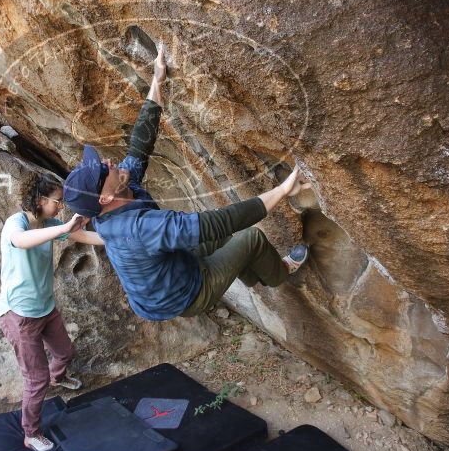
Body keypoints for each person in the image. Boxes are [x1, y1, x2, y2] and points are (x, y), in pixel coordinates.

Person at [62, 43, 312, 322]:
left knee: (229, 240)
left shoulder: (117, 197)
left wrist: (157, 82)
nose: (107, 163)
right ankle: (279, 274)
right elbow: (218, 222)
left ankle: (253, 274)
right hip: (184, 296)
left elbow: (139, 148)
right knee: (250, 237)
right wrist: (283, 189)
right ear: (105, 199)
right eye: (100, 172)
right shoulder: (142, 228)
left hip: (168, 269)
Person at [0, 173, 104, 451]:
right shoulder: (16, 223)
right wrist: (64, 227)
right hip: (19, 315)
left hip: (45, 307)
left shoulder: (50, 223)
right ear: (41, 200)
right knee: (36, 379)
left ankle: (58, 377)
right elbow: (21, 241)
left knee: (65, 352)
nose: (61, 207)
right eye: (58, 202)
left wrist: (119, 239)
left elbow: (84, 235)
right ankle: (31, 433)